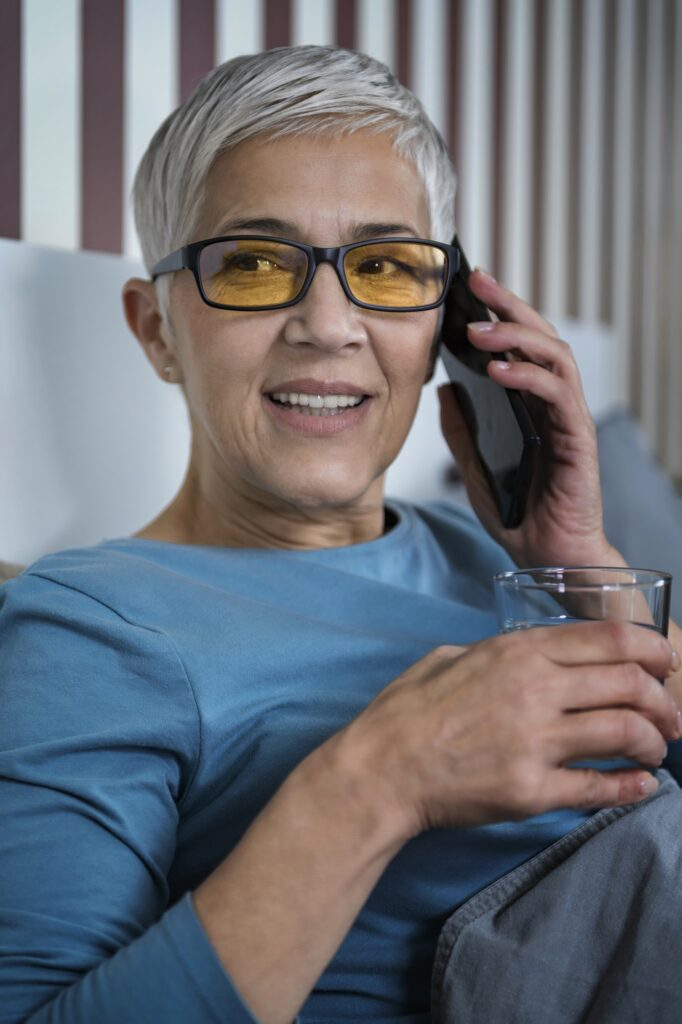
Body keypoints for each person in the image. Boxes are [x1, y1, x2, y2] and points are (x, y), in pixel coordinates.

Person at [1, 45, 680, 1024]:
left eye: (386, 266)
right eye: (252, 264)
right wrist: (381, 780)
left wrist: (580, 560)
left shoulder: (497, 553)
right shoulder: (87, 625)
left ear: (448, 322)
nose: (328, 323)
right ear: (156, 330)